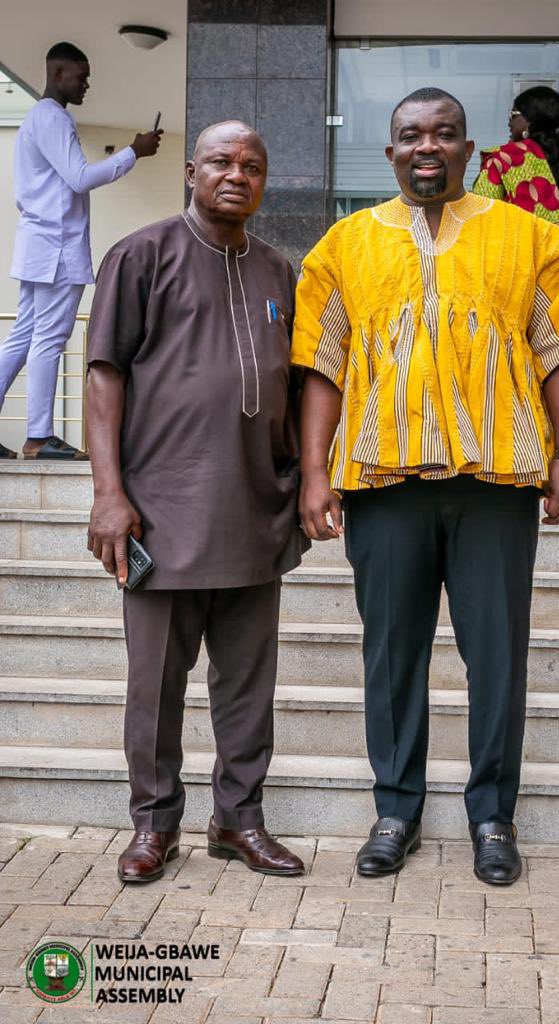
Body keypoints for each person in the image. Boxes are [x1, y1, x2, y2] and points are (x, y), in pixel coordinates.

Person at [292, 87, 559, 885]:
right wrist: (314, 471)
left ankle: (492, 818)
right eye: (412, 135)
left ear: (469, 151)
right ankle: (395, 811)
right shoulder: (343, 245)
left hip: (496, 485)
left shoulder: (529, 238)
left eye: (444, 134)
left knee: (498, 656)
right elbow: (321, 367)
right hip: (384, 484)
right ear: (391, 152)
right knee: (391, 655)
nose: (427, 147)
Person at [86, 120, 307, 882]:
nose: (237, 175)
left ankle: (239, 821)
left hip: (255, 509)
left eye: (253, 165)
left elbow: (296, 383)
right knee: (154, 686)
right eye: (221, 161)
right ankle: (154, 826)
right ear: (190, 171)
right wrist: (108, 493)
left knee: (248, 687)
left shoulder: (278, 271)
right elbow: (104, 373)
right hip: (161, 513)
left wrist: (303, 479)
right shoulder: (141, 256)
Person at [0, 41, 162, 461]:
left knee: (23, 337)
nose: (87, 84)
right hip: (56, 247)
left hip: (40, 244)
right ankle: (38, 437)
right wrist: (133, 152)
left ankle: (38, 434)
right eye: (81, 76)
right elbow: (80, 178)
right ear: (58, 75)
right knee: (48, 339)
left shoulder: (39, 118)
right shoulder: (53, 118)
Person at [472, 85, 559, 437]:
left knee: (508, 365)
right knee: (558, 362)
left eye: (514, 114)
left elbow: (477, 220)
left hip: (508, 280)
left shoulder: (503, 160)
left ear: (529, 121)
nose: (509, 121)